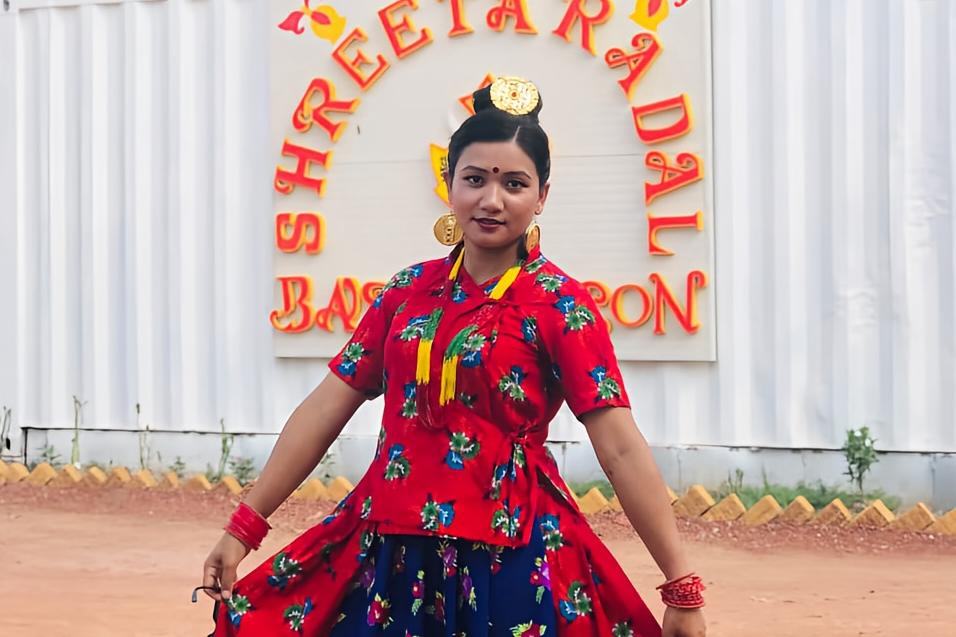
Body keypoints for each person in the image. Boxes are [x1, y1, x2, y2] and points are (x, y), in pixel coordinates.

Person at [199, 77, 707, 637]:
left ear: (542, 196)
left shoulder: (561, 305)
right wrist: (244, 527)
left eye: (514, 184)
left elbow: (619, 447)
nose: (492, 200)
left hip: (513, 561)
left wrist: (680, 586)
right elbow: (324, 409)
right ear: (448, 184)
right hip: (392, 554)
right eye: (475, 179)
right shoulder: (406, 292)